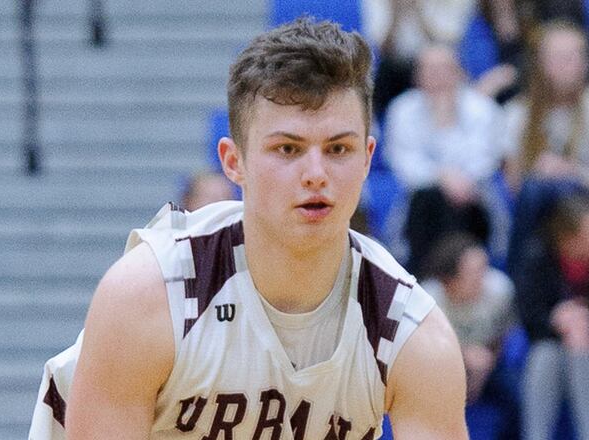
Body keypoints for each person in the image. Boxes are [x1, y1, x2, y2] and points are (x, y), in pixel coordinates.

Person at [29, 17, 468, 439]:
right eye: (288, 148)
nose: (316, 173)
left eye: (338, 148)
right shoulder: (150, 296)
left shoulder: (411, 331)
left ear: (369, 157)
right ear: (233, 162)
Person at [502, 20, 589, 271]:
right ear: (539, 63)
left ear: (586, 62)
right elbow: (515, 186)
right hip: (538, 214)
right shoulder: (516, 114)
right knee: (536, 190)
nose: (566, 66)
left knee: (556, 189)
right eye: (557, 58)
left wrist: (573, 173)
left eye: (573, 57)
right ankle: (524, 281)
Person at [513, 194, 589, 440]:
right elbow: (529, 320)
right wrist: (559, 320)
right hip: (555, 349)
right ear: (572, 239)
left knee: (582, 353)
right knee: (544, 355)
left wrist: (588, 320)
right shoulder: (538, 258)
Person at [384, 43, 503, 273]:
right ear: (417, 77)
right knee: (430, 198)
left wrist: (445, 122)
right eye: (430, 70)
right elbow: (403, 163)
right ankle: (431, 278)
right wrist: (443, 177)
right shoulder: (402, 110)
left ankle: (457, 274)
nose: (438, 77)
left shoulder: (482, 108)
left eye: (445, 69)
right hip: (421, 203)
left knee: (456, 200)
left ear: (461, 73)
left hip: (474, 203)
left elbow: (485, 161)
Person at [419, 232, 520, 440]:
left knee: (516, 393)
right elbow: (420, 351)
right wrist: (462, 355)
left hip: (488, 360)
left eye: (485, 269)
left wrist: (489, 361)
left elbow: (504, 334)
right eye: (474, 273)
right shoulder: (427, 298)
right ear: (449, 279)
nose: (483, 278)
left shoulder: (500, 289)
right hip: (438, 365)